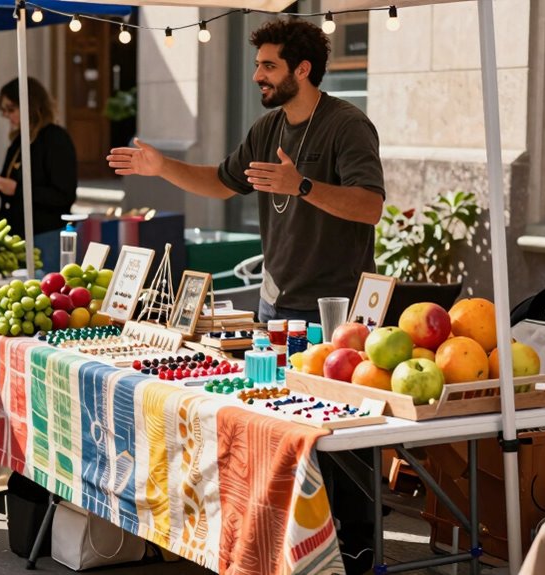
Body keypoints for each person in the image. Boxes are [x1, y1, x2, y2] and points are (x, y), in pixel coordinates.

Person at [107, 18, 385, 575]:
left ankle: (355, 552)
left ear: (301, 70)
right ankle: (288, 547)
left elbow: (370, 206)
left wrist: (301, 185)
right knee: (276, 432)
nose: (257, 75)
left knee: (342, 444)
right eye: (257, 65)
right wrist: (162, 168)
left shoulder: (348, 126)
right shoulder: (267, 128)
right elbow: (221, 180)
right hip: (275, 307)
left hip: (336, 313)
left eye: (268, 65)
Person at [0, 77, 77, 237]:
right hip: (16, 232)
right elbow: (10, 182)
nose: (8, 116)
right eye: (4, 111)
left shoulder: (55, 138)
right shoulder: (20, 139)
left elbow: (63, 196)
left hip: (44, 232)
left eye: (11, 109)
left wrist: (17, 190)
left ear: (30, 105)